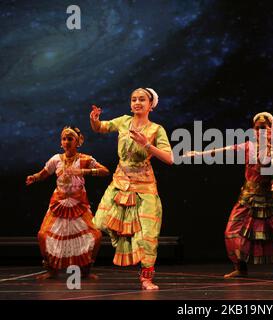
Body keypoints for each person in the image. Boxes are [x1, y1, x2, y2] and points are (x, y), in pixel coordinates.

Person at [185, 112, 273, 278]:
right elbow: (224, 150)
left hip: (269, 198)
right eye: (257, 128)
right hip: (248, 197)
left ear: (272, 128)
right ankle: (240, 268)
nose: (260, 131)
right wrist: (199, 154)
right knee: (231, 232)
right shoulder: (248, 146)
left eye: (264, 128)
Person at [90, 87, 173, 290]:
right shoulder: (124, 121)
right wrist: (94, 119)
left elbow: (169, 159)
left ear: (150, 105)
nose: (137, 102)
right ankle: (122, 245)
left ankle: (146, 278)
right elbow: (100, 127)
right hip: (120, 183)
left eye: (142, 99)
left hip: (144, 187)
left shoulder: (156, 129)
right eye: (134, 99)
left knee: (147, 235)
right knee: (99, 223)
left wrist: (147, 145)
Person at [26, 126, 109, 280]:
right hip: (58, 202)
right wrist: (34, 177)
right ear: (61, 142)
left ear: (78, 142)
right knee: (43, 235)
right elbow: (44, 173)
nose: (66, 142)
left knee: (95, 235)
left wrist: (84, 172)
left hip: (79, 203)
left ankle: (86, 270)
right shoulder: (56, 159)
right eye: (64, 139)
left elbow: (105, 171)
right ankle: (51, 270)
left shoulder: (84, 159)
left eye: (70, 139)